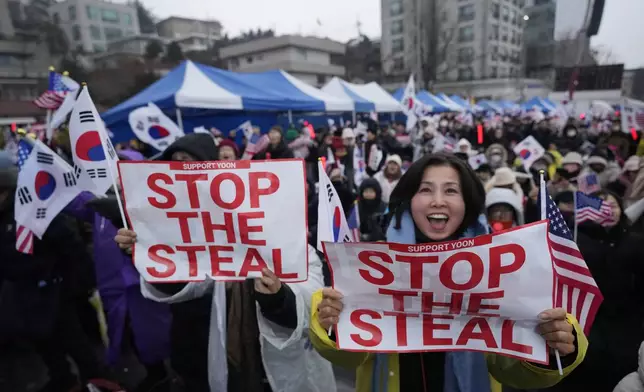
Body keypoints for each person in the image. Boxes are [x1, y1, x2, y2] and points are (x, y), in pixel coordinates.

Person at [310, 153, 588, 392]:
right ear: (408, 199)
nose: (438, 201)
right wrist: (330, 325)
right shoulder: (373, 262)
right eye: (426, 190)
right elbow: (350, 357)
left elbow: (510, 369)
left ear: (467, 203)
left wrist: (551, 346)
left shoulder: (501, 265)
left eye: (451, 191)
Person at [114, 135, 333, 392]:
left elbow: (311, 307)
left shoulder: (294, 249)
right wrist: (145, 254)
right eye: (174, 163)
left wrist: (277, 297)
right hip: (221, 369)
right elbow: (186, 287)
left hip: (282, 374)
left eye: (187, 162)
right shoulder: (209, 243)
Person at [545, 191, 644, 392]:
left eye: (613, 206)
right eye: (602, 206)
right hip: (588, 321)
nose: (609, 211)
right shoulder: (577, 240)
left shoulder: (635, 241)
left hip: (626, 322)